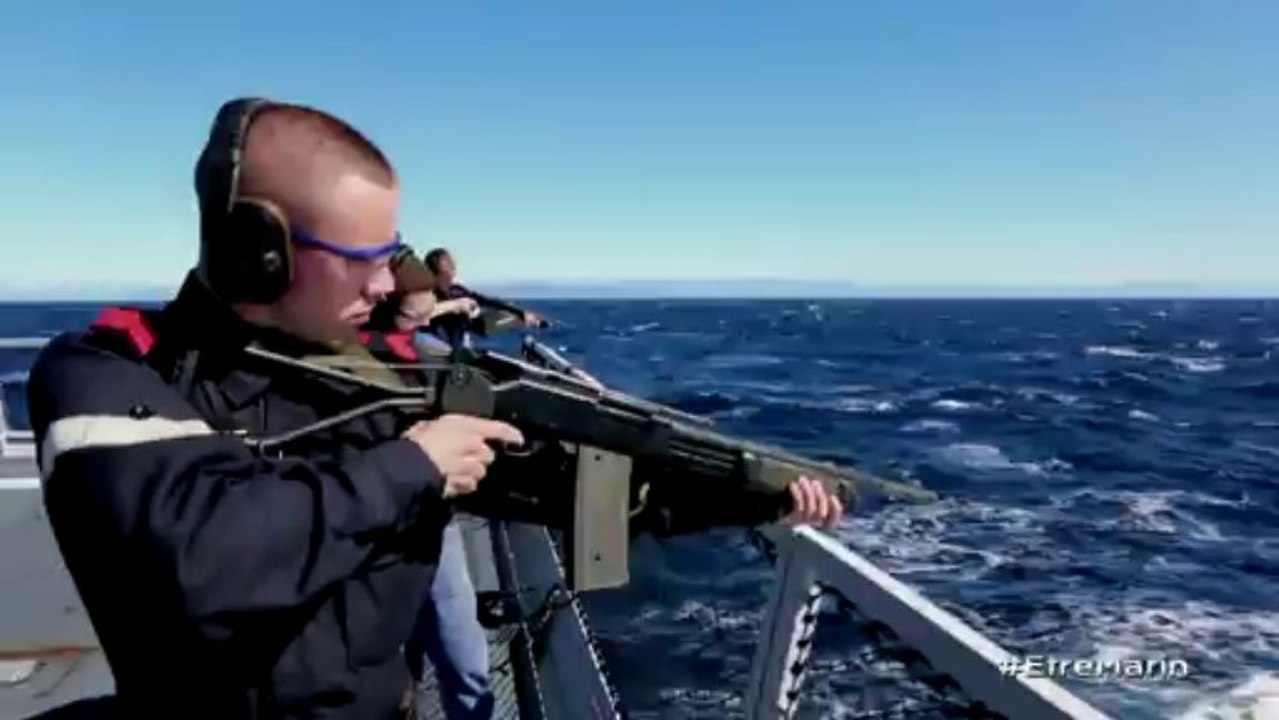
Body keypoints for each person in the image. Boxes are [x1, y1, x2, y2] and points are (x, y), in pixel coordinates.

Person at [26, 97, 524, 720]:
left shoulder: (380, 379)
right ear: (261, 254)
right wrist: (413, 466)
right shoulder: (103, 372)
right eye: (358, 258)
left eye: (388, 253)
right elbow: (206, 565)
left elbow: (525, 467)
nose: (385, 285)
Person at [365, 251, 494, 718]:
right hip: (373, 526)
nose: (418, 325)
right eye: (409, 315)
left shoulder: (422, 353)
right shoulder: (348, 358)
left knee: (465, 659)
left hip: (427, 521)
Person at [423, 247, 544, 349]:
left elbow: (486, 301)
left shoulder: (457, 291)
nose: (452, 265)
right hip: (434, 355)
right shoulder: (424, 295)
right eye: (447, 262)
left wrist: (520, 313)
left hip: (453, 353)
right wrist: (455, 305)